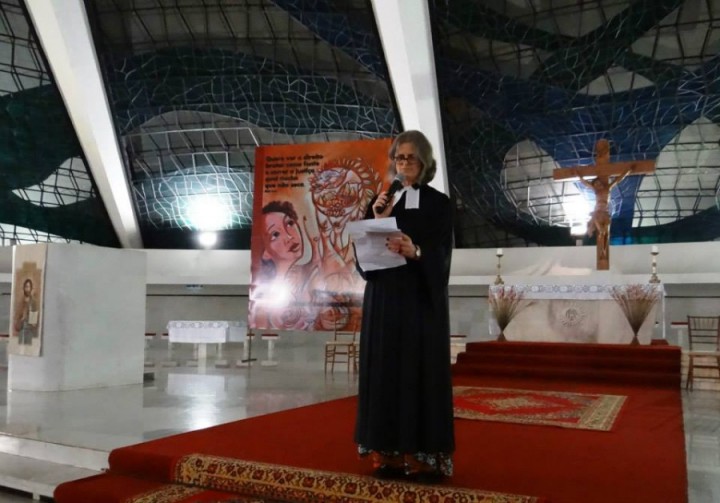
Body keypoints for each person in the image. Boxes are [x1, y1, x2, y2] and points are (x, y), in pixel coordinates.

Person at [354, 130, 455, 481]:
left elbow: (442, 256)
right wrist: (376, 216)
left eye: (410, 157)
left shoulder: (439, 203)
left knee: (418, 374)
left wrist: (417, 252)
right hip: (384, 301)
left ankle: (425, 457)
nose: (404, 163)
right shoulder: (381, 201)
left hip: (418, 305)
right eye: (399, 157)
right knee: (385, 373)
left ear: (424, 162)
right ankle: (389, 455)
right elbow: (363, 255)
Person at [15, 278, 39, 345]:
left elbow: (34, 323)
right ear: (24, 288)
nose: (27, 289)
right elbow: (16, 321)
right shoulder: (20, 302)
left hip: (29, 331)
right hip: (21, 330)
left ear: (31, 288)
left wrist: (29, 317)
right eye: (26, 287)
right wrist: (21, 318)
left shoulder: (33, 302)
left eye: (28, 287)